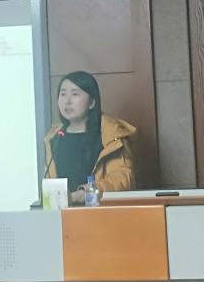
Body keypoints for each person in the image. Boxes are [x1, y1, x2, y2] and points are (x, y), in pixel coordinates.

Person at [44, 71, 136, 201]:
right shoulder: (54, 137)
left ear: (92, 102)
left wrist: (88, 192)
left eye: (75, 94)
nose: (67, 101)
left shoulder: (111, 136)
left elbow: (122, 179)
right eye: (63, 94)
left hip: (99, 210)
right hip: (62, 211)